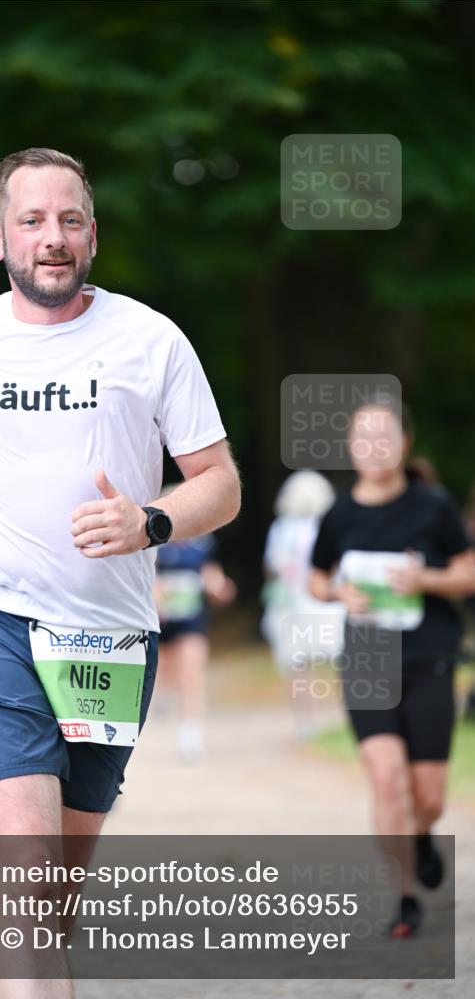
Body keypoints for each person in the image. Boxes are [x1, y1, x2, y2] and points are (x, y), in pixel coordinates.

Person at [0, 147, 241, 999]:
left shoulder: (150, 340)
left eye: (70, 220)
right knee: (31, 887)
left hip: (108, 638)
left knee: (52, 900)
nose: (53, 238)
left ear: (91, 236)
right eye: (33, 221)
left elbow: (219, 484)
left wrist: (149, 520)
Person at [308, 401, 475, 938]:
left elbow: (467, 571)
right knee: (387, 782)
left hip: (429, 659)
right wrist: (339, 593)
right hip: (366, 661)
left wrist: (424, 581)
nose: (373, 447)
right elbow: (315, 580)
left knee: (427, 796)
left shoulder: (432, 505)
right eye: (363, 438)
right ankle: (404, 898)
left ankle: (422, 834)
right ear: (351, 448)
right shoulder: (338, 514)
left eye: (384, 436)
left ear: (404, 442)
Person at [261, 470, 345, 739]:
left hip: (290, 606)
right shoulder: (327, 527)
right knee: (339, 660)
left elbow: (271, 567)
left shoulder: (281, 528)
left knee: (297, 665)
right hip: (324, 603)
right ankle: (347, 713)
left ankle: (305, 720)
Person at [154, 528, 236, 762]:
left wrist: (219, 587)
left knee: (191, 674)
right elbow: (146, 575)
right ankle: (165, 692)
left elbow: (212, 573)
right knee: (166, 670)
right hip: (162, 621)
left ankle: (190, 736)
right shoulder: (155, 543)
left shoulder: (203, 545)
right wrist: (155, 592)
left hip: (191, 621)